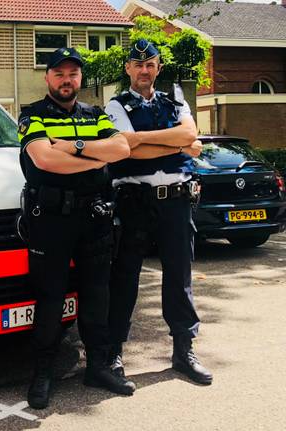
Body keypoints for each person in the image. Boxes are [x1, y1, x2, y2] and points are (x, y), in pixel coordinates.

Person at [18, 47, 135, 409]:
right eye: (59, 73)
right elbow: (44, 159)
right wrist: (95, 157)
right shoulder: (31, 115)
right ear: (47, 77)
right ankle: (43, 372)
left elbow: (122, 149)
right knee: (51, 298)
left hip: (94, 219)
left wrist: (75, 147)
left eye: (73, 74)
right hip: (51, 222)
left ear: (80, 78)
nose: (66, 80)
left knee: (97, 295)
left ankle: (98, 367)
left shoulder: (96, 115)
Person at [105, 39, 212, 385]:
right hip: (134, 201)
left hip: (177, 201)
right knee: (124, 279)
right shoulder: (116, 104)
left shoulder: (176, 100)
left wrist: (147, 139)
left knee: (179, 279)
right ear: (128, 69)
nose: (143, 70)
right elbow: (124, 149)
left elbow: (191, 133)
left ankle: (184, 351)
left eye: (149, 64)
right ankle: (112, 354)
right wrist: (179, 144)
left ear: (158, 68)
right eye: (137, 65)